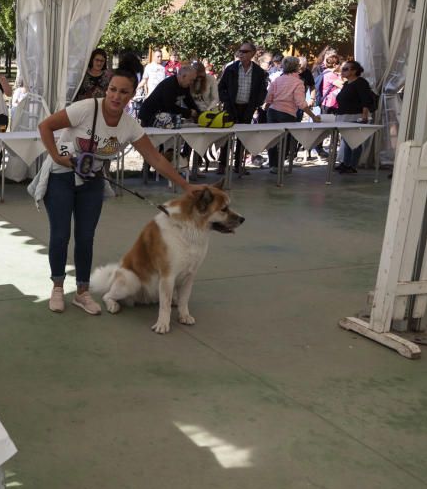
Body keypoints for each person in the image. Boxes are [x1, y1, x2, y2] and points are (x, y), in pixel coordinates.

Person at [35, 69, 201, 315]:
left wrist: (186, 186)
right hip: (62, 176)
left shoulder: (129, 125)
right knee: (60, 235)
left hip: (92, 180)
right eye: (112, 89)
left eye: (123, 92)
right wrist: (57, 156)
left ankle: (82, 293)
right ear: (107, 89)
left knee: (85, 237)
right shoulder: (86, 108)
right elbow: (45, 126)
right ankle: (57, 287)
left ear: (132, 95)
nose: (116, 96)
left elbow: (155, 158)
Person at [217, 41, 269, 175]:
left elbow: (262, 91)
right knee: (227, 136)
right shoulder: (231, 69)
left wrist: (256, 104)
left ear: (252, 54)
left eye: (244, 51)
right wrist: (227, 101)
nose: (241, 54)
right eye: (240, 51)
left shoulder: (258, 72)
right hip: (231, 107)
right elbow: (221, 87)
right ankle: (222, 165)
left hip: (247, 108)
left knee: (243, 137)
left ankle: (239, 165)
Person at [262, 57, 320, 174]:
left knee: (273, 139)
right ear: (297, 67)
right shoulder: (298, 82)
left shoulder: (277, 80)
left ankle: (273, 165)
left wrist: (266, 108)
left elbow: (268, 98)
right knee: (286, 141)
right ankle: (279, 165)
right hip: (287, 114)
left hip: (273, 112)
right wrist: (313, 116)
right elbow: (301, 103)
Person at [334, 61, 378, 174]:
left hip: (355, 116)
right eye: (343, 69)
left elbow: (365, 99)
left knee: (355, 141)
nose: (342, 71)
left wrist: (364, 114)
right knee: (347, 141)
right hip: (344, 116)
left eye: (346, 69)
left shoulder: (361, 83)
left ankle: (352, 165)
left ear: (354, 71)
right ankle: (345, 163)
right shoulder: (347, 83)